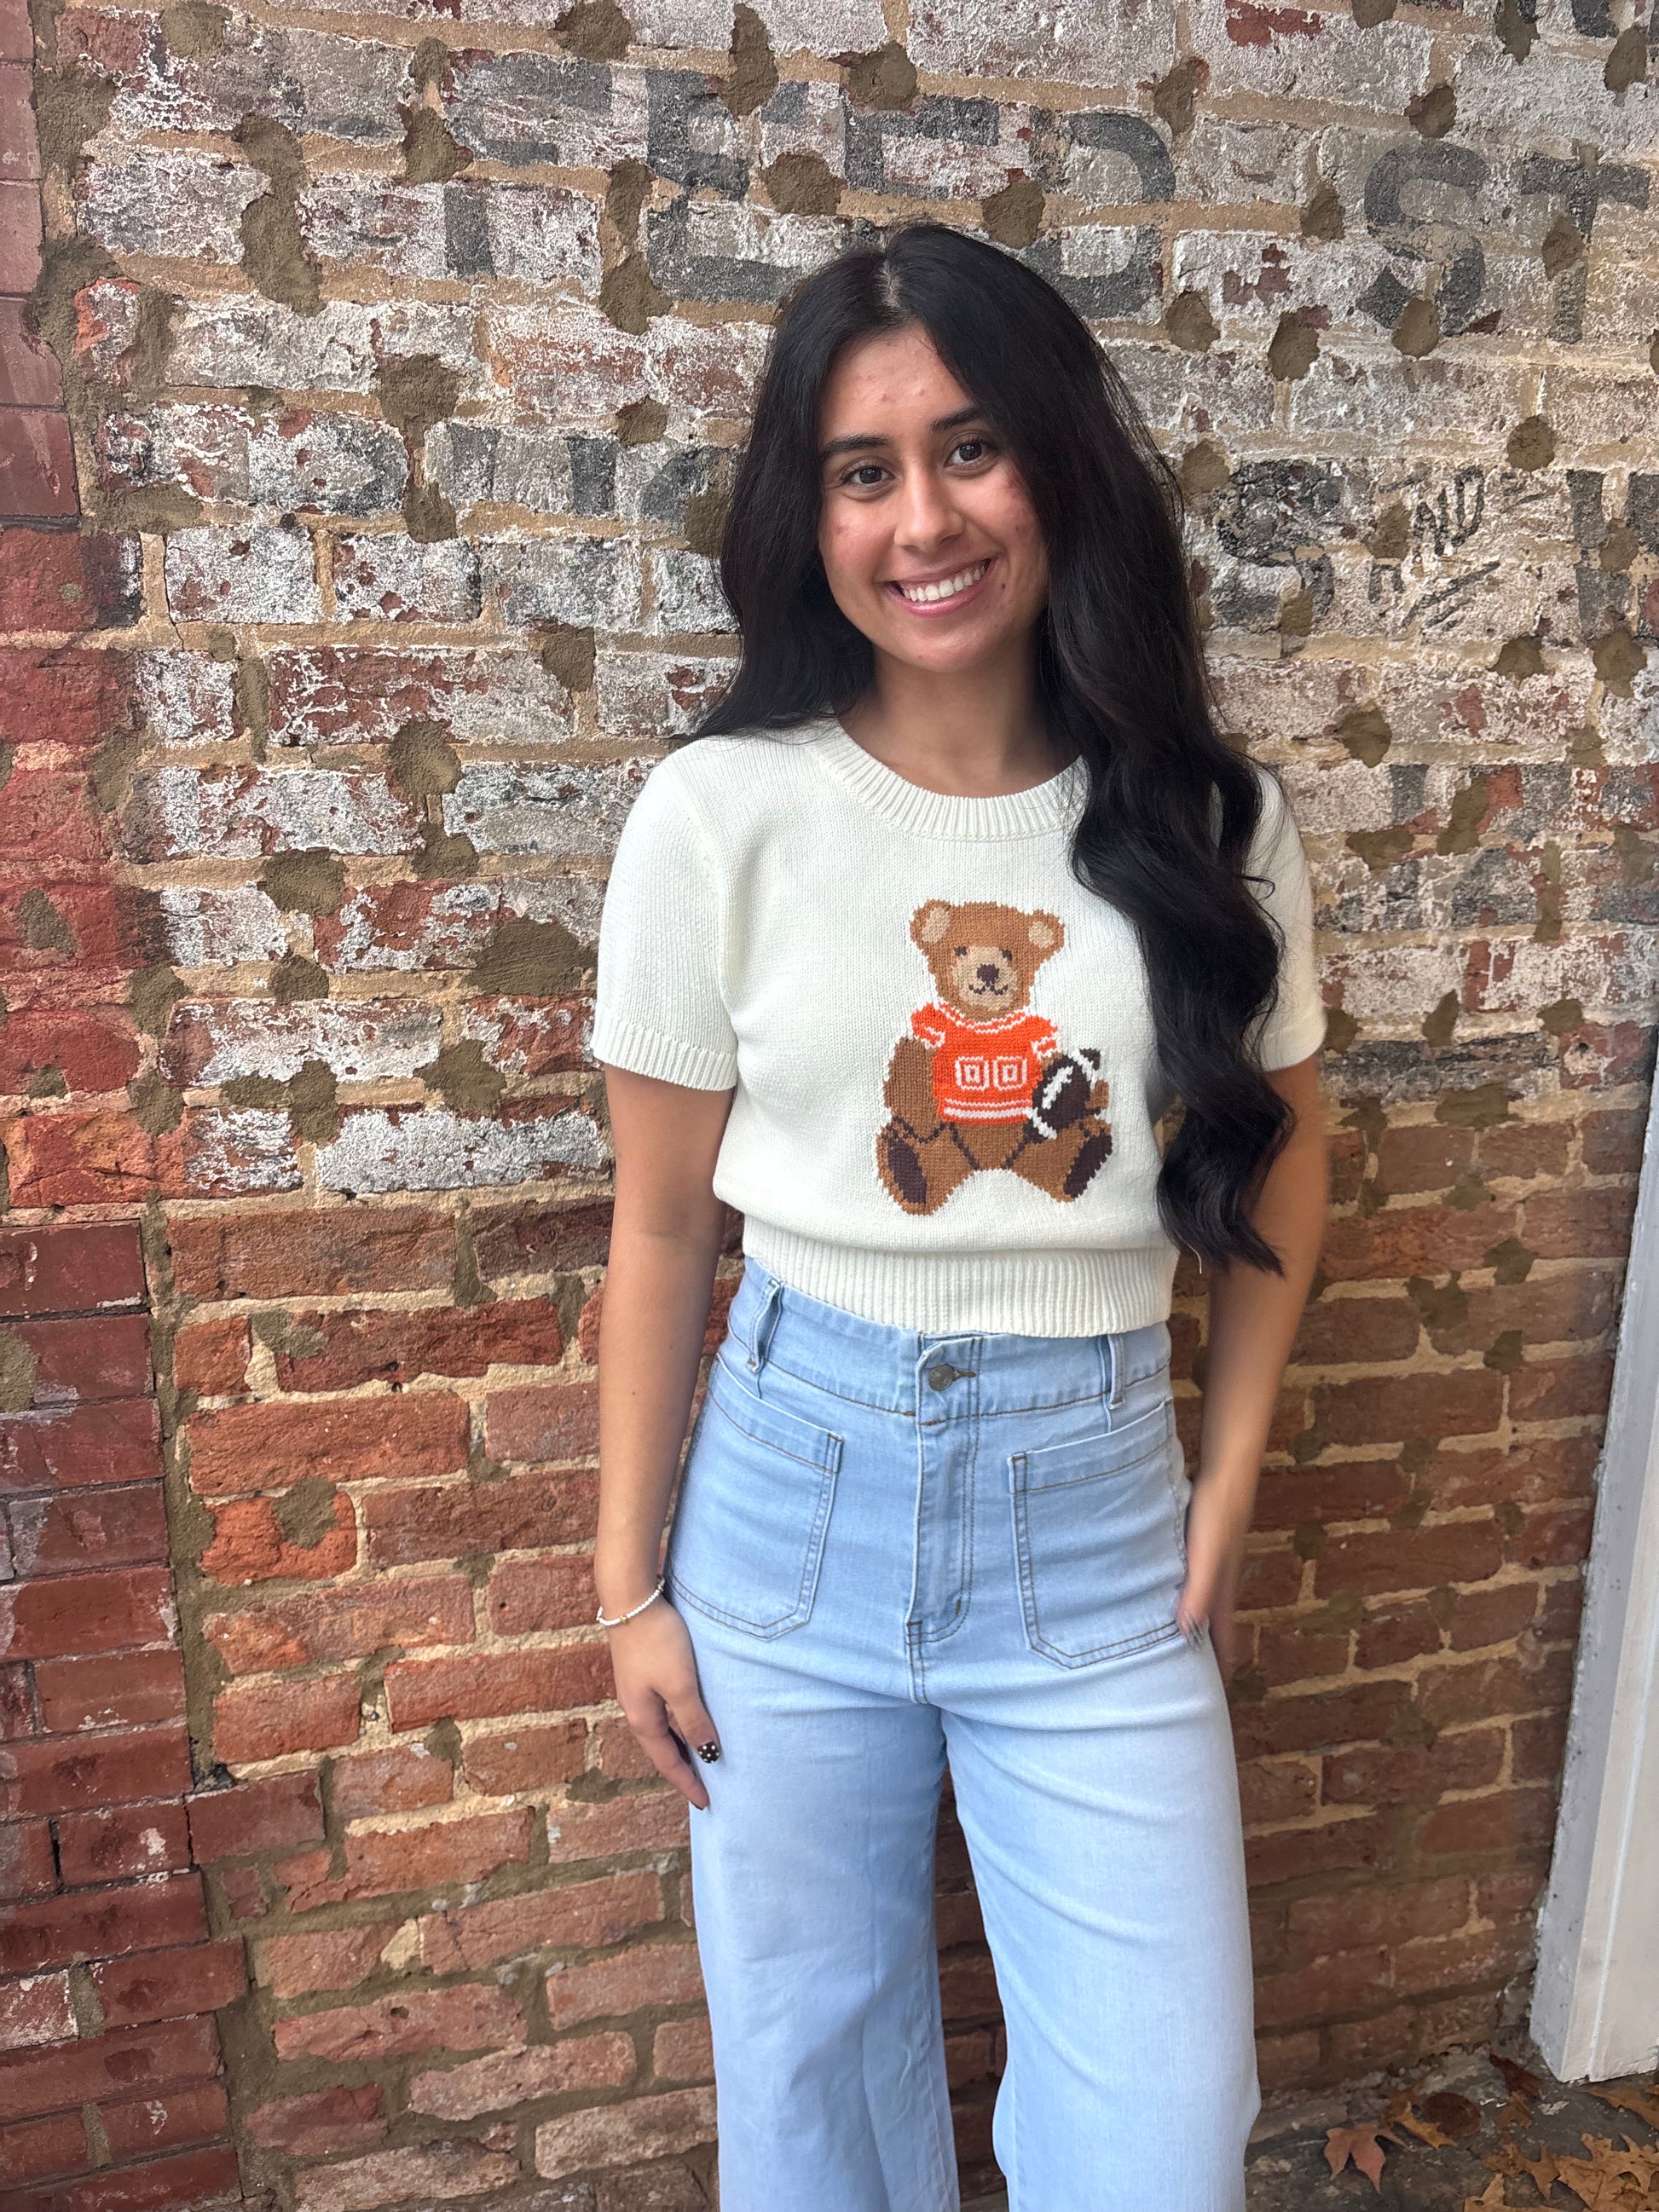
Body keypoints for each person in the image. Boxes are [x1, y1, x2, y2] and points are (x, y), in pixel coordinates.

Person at [588, 222, 1329, 2212]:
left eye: (970, 447)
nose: (921, 518)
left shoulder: (1207, 820)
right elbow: (658, 1228)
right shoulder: (719, 815)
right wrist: (627, 1583)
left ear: (1056, 464)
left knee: (1164, 2133)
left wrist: (1229, 1475)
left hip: (1095, 1512)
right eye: (863, 470)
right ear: (810, 513)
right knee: (809, 2105)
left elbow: (1284, 1148)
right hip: (786, 1503)